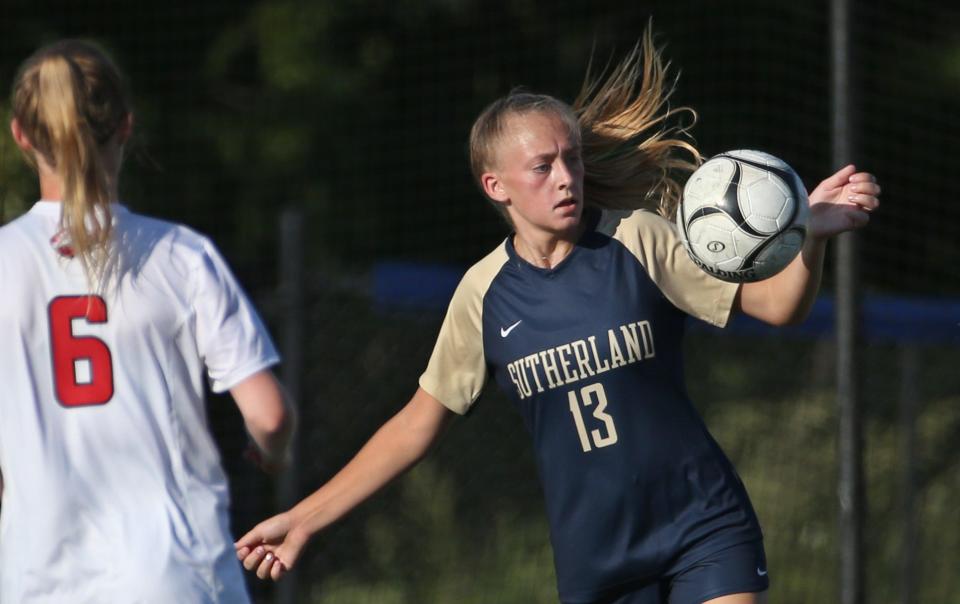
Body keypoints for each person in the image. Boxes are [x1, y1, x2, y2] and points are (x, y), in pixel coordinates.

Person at [235, 29, 880, 604]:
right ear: (497, 186)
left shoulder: (636, 238)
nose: (566, 177)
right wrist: (304, 519)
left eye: (570, 157)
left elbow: (778, 308)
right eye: (542, 167)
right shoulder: (483, 294)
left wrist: (807, 236)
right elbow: (413, 427)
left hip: (702, 524)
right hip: (597, 560)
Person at [0, 40, 294, 603]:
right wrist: (273, 455)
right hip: (176, 576)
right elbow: (270, 415)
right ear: (126, 127)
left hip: (39, 581)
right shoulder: (182, 256)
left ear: (21, 134)